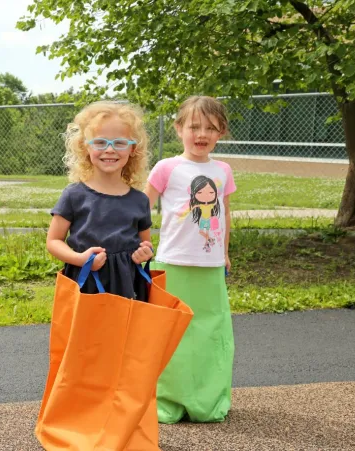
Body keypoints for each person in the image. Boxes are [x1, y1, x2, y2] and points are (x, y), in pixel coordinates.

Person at [144, 95, 236, 423]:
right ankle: (167, 400)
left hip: (210, 268)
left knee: (211, 333)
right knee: (171, 332)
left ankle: (207, 401)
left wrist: (224, 253)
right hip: (171, 263)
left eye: (211, 128)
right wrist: (143, 244)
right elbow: (140, 208)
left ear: (221, 132)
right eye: (194, 126)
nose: (202, 133)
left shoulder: (223, 170)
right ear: (178, 128)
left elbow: (224, 215)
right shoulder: (166, 167)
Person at [47, 101, 154, 300]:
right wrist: (79, 259)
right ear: (85, 147)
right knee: (88, 330)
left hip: (127, 284)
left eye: (120, 142)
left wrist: (145, 253)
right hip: (86, 281)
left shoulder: (139, 200)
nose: (110, 150)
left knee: (124, 331)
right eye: (100, 142)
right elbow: (53, 241)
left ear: (132, 149)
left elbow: (146, 243)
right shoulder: (74, 195)